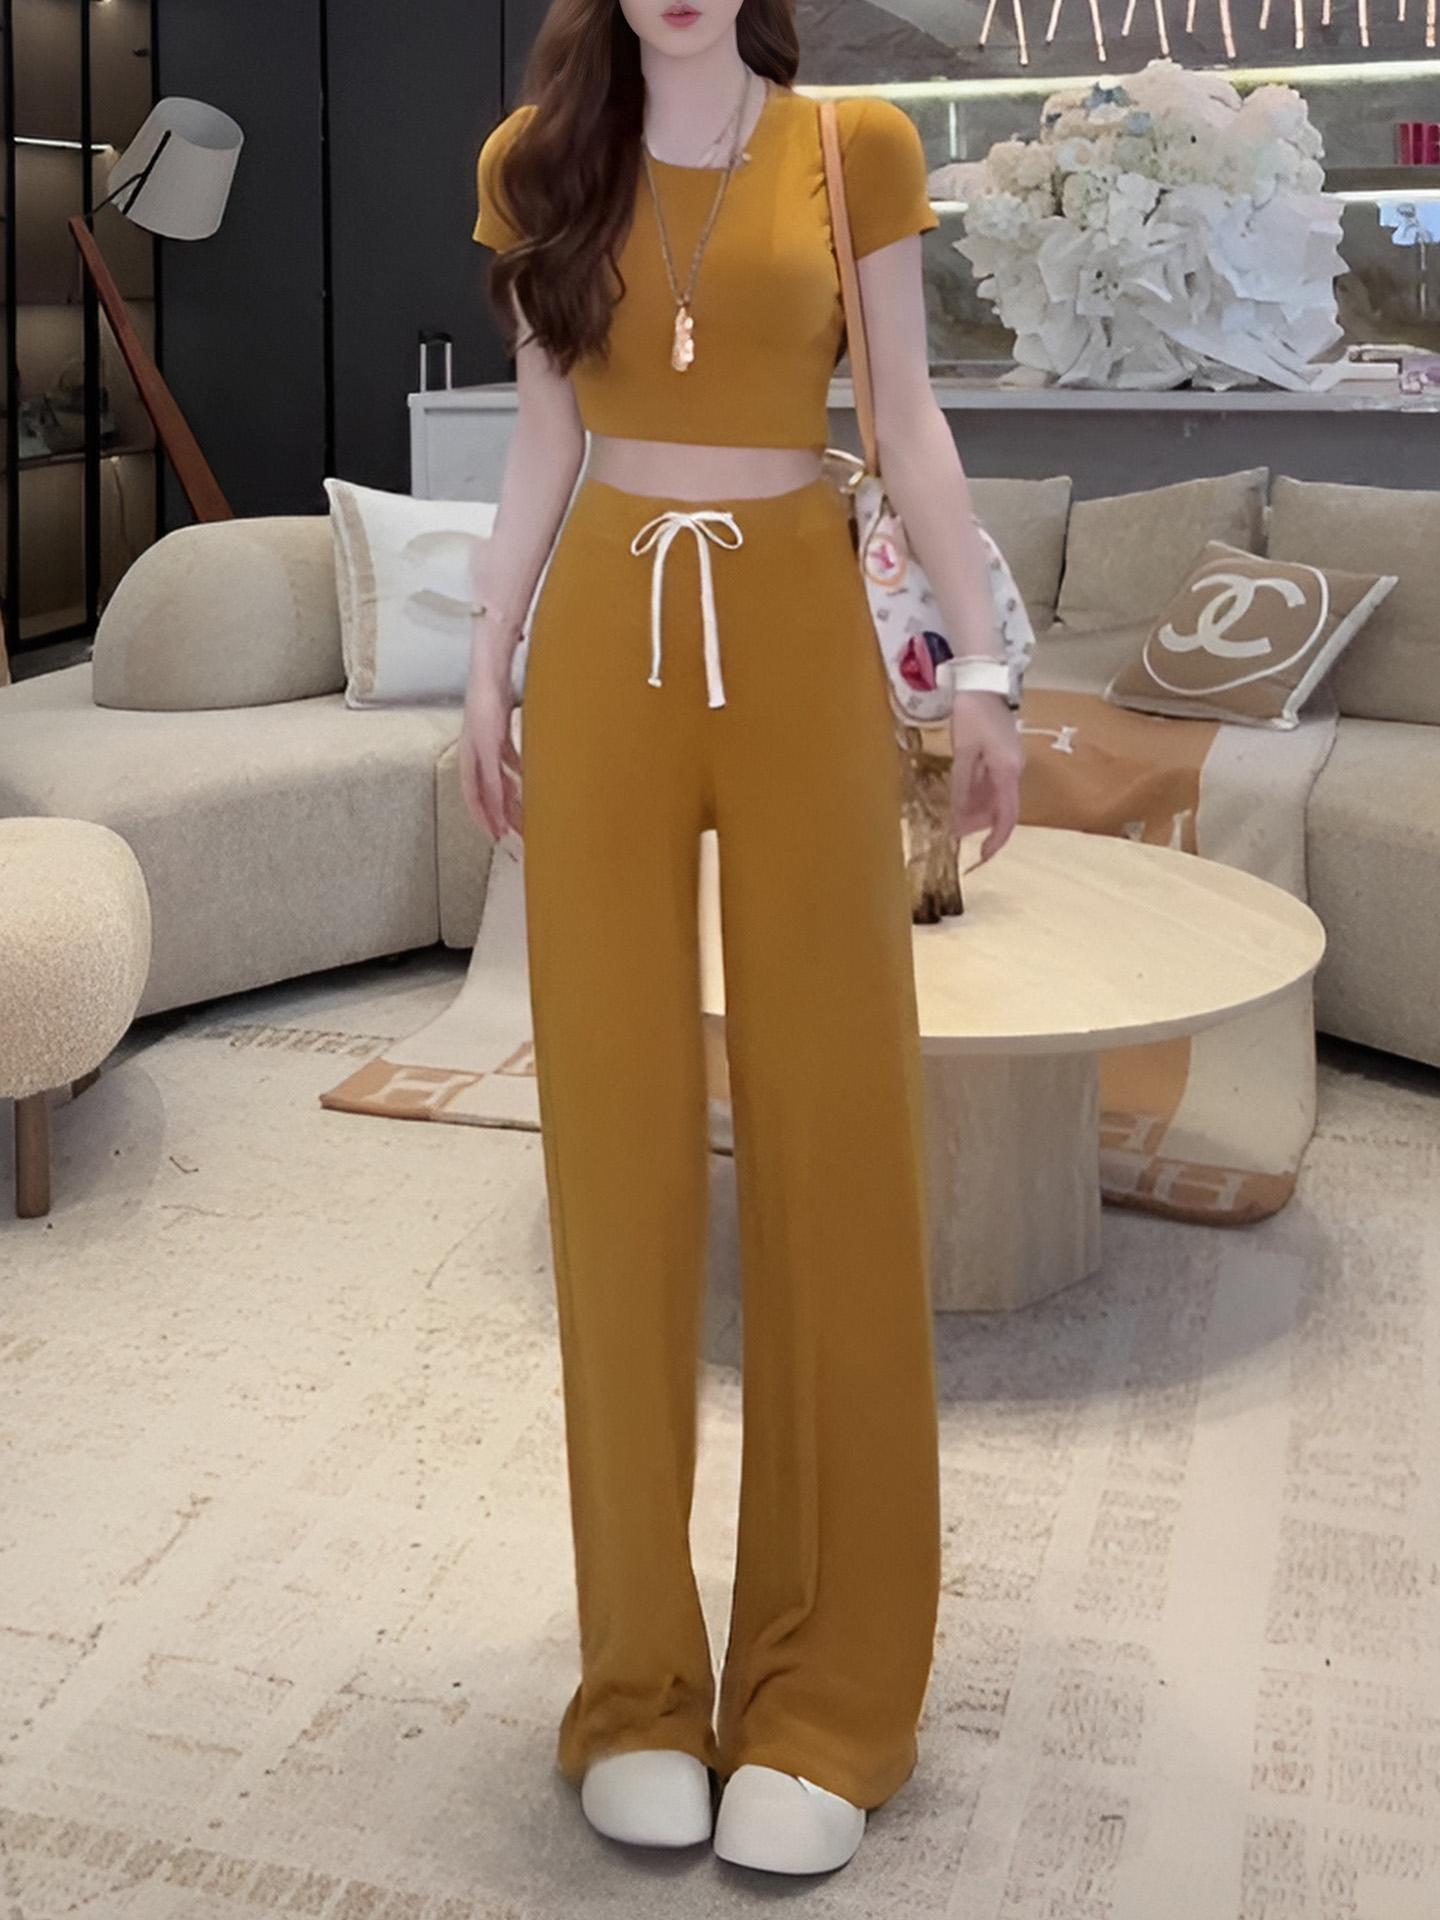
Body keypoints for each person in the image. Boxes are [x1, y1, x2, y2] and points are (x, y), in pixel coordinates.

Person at [463, 0, 1023, 1877]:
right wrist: (485, 660)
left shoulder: (853, 148)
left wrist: (985, 669)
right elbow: (543, 440)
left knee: (834, 1145)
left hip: (794, 636)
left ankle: (827, 1690)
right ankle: (637, 1684)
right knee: (615, 1158)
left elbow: (908, 422)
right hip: (606, 647)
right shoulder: (538, 162)